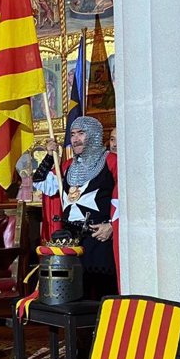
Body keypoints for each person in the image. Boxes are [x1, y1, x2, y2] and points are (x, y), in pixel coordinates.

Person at [33, 116, 119, 298]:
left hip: (100, 239)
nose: (75, 139)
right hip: (70, 240)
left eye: (81, 133)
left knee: (103, 294)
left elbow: (127, 197)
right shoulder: (67, 166)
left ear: (94, 135)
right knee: (74, 295)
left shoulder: (111, 161)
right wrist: (50, 156)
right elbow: (41, 182)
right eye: (72, 134)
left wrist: (112, 225)